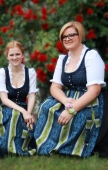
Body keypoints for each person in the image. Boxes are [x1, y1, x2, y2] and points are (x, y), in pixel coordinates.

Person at [34, 21, 106, 158]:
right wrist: (65, 100)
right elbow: (55, 87)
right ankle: (47, 144)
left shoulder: (91, 56)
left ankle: (71, 148)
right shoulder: (63, 59)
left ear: (80, 36)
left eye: (72, 35)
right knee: (46, 107)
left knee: (78, 116)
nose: (67, 38)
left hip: (88, 99)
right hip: (69, 98)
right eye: (64, 36)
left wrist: (71, 110)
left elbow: (94, 90)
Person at [0, 40, 38, 156]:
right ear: (7, 56)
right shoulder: (2, 73)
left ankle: (18, 147)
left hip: (24, 106)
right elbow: (4, 99)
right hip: (5, 107)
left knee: (23, 120)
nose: (15, 57)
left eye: (17, 54)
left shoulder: (30, 72)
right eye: (11, 55)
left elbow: (32, 95)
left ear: (22, 55)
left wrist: (28, 112)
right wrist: (23, 111)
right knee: (15, 115)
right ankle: (10, 149)